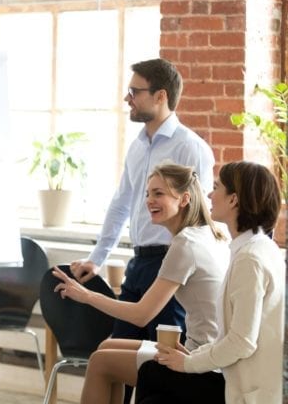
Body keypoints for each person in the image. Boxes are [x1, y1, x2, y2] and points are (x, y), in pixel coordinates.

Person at [71, 59, 214, 404]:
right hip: (138, 264)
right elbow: (121, 203)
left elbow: (199, 214)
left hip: (172, 267)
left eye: (135, 91)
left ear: (160, 96)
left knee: (159, 373)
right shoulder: (137, 146)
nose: (127, 98)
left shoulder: (189, 146)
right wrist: (98, 258)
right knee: (114, 361)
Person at [52, 163, 228, 404]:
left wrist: (85, 295)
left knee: (100, 362)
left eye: (159, 193)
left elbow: (141, 315)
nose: (149, 200)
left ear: (184, 199)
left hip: (200, 364)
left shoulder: (185, 244)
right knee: (106, 345)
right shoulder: (210, 233)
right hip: (205, 353)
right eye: (147, 194)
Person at [136, 161, 284, 404]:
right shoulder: (257, 247)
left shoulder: (249, 259)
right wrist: (195, 354)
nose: (209, 195)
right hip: (233, 375)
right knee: (154, 382)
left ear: (234, 200)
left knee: (152, 375)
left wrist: (189, 362)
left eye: (216, 188)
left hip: (245, 390)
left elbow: (241, 342)